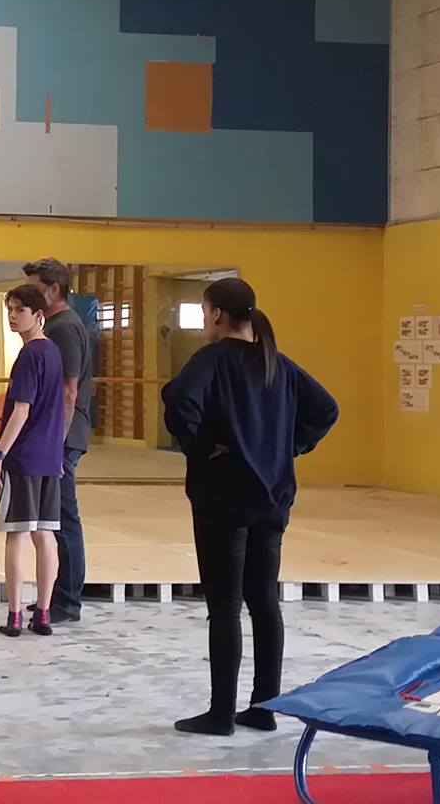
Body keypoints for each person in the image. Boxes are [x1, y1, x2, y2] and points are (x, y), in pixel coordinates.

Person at [163, 276, 338, 737]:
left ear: (218, 314)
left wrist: (204, 448)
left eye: (205, 311)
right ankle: (264, 707)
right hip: (272, 498)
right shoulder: (277, 363)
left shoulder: (213, 359)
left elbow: (179, 402)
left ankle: (221, 713)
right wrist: (287, 448)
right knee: (264, 602)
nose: (205, 319)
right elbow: (327, 410)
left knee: (224, 608)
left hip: (223, 499)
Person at [0, 284, 64, 638]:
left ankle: (15, 614)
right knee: (45, 534)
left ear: (38, 315)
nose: (13, 316)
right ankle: (43, 613)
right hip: (49, 458)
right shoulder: (53, 353)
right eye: (10, 310)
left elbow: (21, 411)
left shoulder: (30, 355)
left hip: (24, 458)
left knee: (17, 535)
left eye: (20, 310)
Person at [24, 258, 94, 625]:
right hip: (55, 436)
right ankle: (54, 595)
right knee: (53, 518)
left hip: (63, 438)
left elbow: (69, 390)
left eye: (36, 289)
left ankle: (68, 600)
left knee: (64, 516)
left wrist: (56, 441)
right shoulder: (52, 325)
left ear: (54, 289)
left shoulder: (65, 328)